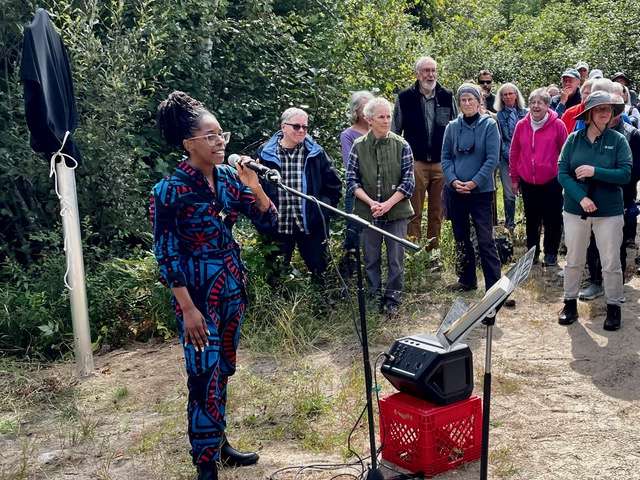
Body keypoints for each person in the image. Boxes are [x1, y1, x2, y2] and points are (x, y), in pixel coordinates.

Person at [151, 91, 278, 480]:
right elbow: (166, 253)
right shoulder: (169, 191)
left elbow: (268, 222)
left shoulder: (226, 177)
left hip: (231, 289)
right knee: (201, 375)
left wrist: (253, 183)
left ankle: (219, 445)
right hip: (197, 298)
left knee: (222, 370)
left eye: (221, 133)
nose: (220, 141)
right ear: (190, 143)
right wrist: (187, 309)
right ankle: (205, 463)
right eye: (211, 135)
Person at [557, 91, 631, 331]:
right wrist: (581, 198)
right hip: (575, 210)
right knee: (574, 259)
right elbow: (562, 173)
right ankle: (569, 303)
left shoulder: (618, 140)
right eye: (599, 108)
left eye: (608, 109)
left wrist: (593, 171)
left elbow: (625, 174)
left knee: (611, 262)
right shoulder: (573, 139)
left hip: (609, 211)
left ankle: (613, 306)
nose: (605, 112)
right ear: (589, 113)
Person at [346, 97, 415, 314]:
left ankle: (393, 300)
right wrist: (371, 202)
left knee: (396, 259)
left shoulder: (402, 144)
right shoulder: (358, 146)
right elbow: (351, 181)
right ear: (369, 120)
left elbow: (408, 182)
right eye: (381, 117)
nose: (386, 121)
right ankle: (374, 296)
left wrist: (387, 204)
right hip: (368, 212)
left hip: (397, 211)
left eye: (388, 116)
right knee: (371, 258)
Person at [257, 107, 341, 282]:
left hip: (310, 225)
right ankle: (279, 308)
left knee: (320, 272)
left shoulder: (316, 152)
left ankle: (321, 307)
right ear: (283, 127)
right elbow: (254, 188)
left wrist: (322, 213)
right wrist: (262, 218)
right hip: (277, 225)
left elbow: (334, 186)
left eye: (305, 127)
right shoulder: (265, 153)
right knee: (275, 277)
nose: (301, 130)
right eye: (296, 126)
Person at [441, 83, 502, 292]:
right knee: (461, 237)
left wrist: (475, 181)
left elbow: (492, 158)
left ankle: (494, 286)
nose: (467, 103)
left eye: (471, 100)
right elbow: (446, 157)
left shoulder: (489, 125)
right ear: (459, 103)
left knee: (485, 239)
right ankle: (467, 280)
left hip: (481, 192)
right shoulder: (451, 127)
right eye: (463, 100)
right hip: (456, 191)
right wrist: (453, 180)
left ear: (479, 102)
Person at [392, 55, 457, 247]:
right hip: (415, 163)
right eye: (426, 71)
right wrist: (400, 162)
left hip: (441, 162)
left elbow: (455, 128)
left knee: (438, 212)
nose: (430, 75)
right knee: (413, 210)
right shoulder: (405, 97)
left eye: (433, 70)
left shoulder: (447, 95)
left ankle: (433, 253)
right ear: (418, 74)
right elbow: (395, 131)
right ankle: (414, 252)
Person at [510, 88, 568, 266]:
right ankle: (532, 253)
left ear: (547, 105)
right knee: (532, 219)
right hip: (528, 180)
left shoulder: (558, 125)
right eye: (533, 102)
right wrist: (514, 178)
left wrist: (564, 176)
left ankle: (551, 253)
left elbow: (566, 153)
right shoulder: (521, 125)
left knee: (552, 218)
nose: (536, 106)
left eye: (540, 103)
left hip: (552, 180)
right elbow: (514, 152)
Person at [339, 90, 374, 277]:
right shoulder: (348, 135)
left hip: (380, 190)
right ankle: (352, 272)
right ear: (356, 111)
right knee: (354, 231)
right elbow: (350, 164)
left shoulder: (380, 130)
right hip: (358, 190)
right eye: (364, 107)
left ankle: (372, 270)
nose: (368, 111)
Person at [494, 82, 527, 232]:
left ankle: (529, 222)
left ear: (516, 95)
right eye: (504, 94)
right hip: (506, 157)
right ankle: (509, 224)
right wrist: (510, 157)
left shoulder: (526, 113)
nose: (507, 97)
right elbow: (501, 139)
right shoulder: (498, 116)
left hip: (526, 157)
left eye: (510, 93)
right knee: (509, 193)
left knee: (527, 191)